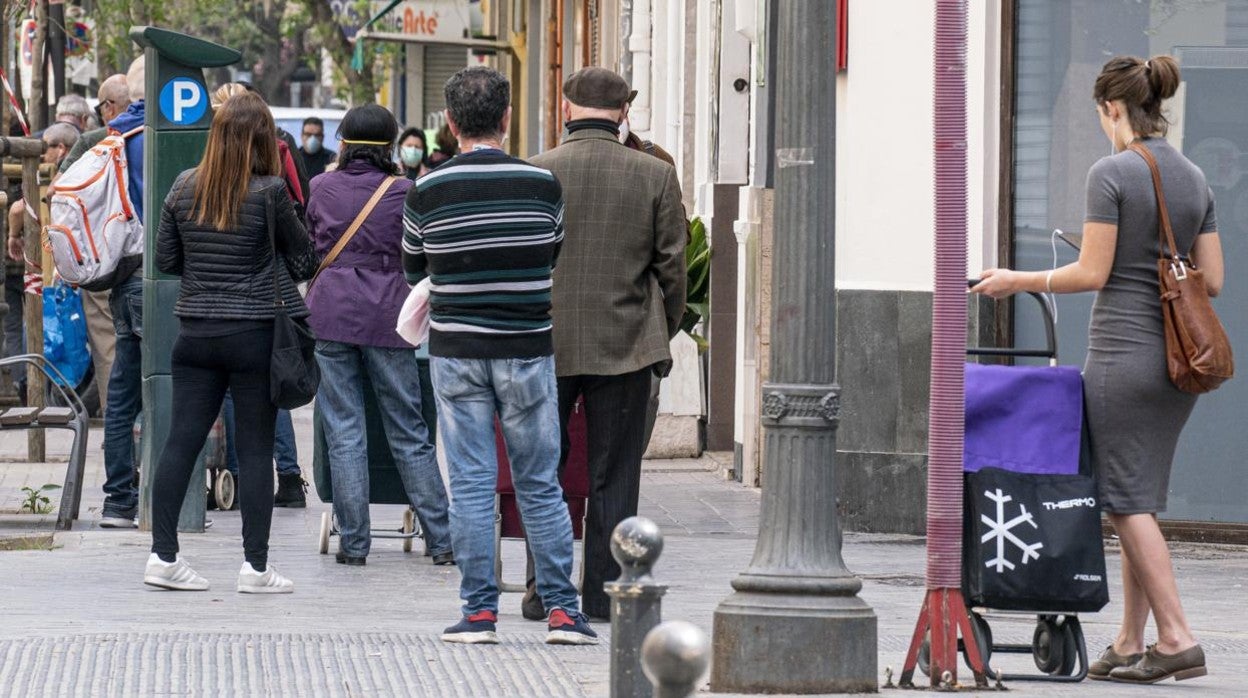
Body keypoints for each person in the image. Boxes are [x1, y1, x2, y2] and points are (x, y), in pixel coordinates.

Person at [971, 55, 1220, 684]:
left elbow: (1093, 274)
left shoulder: (1112, 172)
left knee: (1123, 499)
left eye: (1100, 115)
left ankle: (1176, 636)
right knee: (1138, 499)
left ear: (1112, 109)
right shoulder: (1193, 176)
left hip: (1122, 357)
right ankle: (1131, 640)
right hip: (1176, 366)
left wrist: (1014, 280)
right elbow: (1212, 279)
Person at [403, 66, 596, 646]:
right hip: (527, 349)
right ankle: (563, 611)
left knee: (470, 483)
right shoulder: (542, 184)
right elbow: (549, 253)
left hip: (457, 350)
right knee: (540, 482)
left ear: (450, 123)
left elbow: (416, 267)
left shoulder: (426, 190)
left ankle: (479, 613)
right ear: (507, 119)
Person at [527, 67, 687, 621]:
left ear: (567, 109)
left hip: (545, 340)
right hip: (627, 343)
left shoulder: (536, 171)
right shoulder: (655, 175)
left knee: (544, 466)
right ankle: (604, 592)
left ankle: (544, 589)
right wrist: (660, 331)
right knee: (614, 472)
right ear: (623, 113)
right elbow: (673, 267)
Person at [146, 91, 317, 593]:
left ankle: (163, 556)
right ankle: (255, 568)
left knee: (181, 442)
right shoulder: (270, 192)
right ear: (264, 139)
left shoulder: (182, 186)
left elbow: (166, 260)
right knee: (257, 448)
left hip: (195, 333)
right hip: (254, 335)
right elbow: (305, 261)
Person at [306, 104, 453, 567]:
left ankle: (354, 543)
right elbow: (420, 252)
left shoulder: (321, 186)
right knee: (408, 428)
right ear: (391, 146)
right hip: (389, 315)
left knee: (344, 429)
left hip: (329, 314)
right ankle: (442, 540)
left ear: (344, 143)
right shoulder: (406, 190)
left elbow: (312, 246)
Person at [212, 83, 309, 508]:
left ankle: (234, 477)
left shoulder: (202, 175)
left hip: (223, 297)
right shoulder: (279, 159)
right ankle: (287, 476)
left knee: (235, 391)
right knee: (276, 382)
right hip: (273, 288)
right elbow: (302, 237)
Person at [44, 73, 134, 415]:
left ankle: (120, 430)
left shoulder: (95, 141)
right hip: (153, 260)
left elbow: (58, 191)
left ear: (109, 108)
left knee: (109, 346)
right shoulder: (154, 137)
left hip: (103, 259)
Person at [91, 57, 147, 528]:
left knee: (123, 392)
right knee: (174, 387)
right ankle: (170, 498)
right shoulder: (172, 135)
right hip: (166, 278)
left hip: (125, 276)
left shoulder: (113, 139)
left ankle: (118, 501)